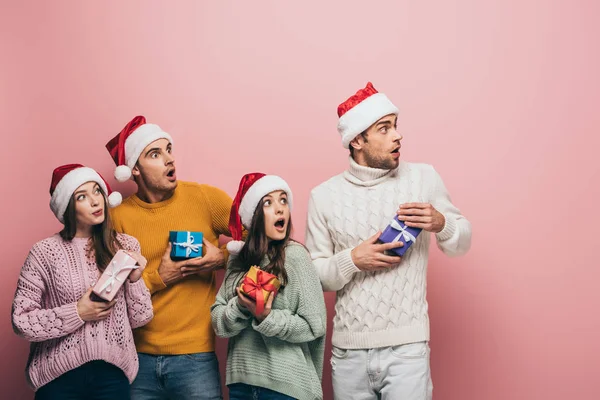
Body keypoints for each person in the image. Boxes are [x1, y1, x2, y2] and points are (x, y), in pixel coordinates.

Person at [305, 82, 472, 399]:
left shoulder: (423, 178)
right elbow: (314, 276)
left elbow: (462, 243)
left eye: (395, 126)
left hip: (407, 351)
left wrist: (442, 223)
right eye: (384, 128)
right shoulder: (323, 196)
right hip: (348, 353)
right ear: (357, 140)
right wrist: (353, 260)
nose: (397, 135)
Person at [106, 116, 233, 399]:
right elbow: (107, 293)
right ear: (134, 170)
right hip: (136, 360)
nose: (169, 160)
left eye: (169, 149)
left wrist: (222, 258)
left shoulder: (204, 198)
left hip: (196, 357)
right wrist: (159, 278)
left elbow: (261, 241)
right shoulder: (117, 218)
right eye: (155, 154)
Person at [12, 163, 153, 400]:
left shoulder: (126, 246)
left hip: (112, 375)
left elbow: (141, 318)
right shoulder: (44, 252)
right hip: (58, 376)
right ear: (67, 206)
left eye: (97, 191)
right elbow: (21, 320)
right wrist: (78, 312)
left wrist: (135, 280)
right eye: (82, 196)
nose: (96, 201)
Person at [211, 173, 326, 400]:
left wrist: (266, 317)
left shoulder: (296, 257)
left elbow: (315, 327)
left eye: (283, 200)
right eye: (268, 203)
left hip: (285, 387)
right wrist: (240, 306)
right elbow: (218, 323)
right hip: (241, 385)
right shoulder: (238, 259)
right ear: (253, 216)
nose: (280, 209)